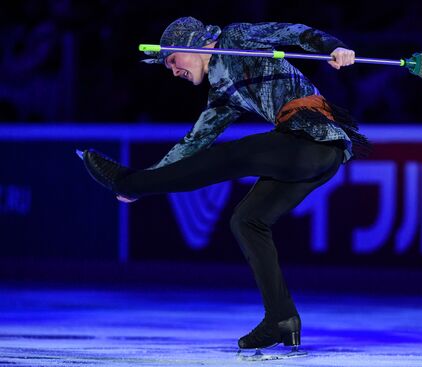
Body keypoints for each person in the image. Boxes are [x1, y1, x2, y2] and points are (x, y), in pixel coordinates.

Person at [80, 16, 371, 355]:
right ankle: (281, 318)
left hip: (312, 141)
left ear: (193, 43)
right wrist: (152, 175)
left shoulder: (236, 37)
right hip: (309, 153)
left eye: (173, 60)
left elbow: (293, 33)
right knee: (247, 220)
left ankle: (130, 180)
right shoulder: (222, 96)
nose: (172, 71)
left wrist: (332, 47)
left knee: (234, 155)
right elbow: (192, 144)